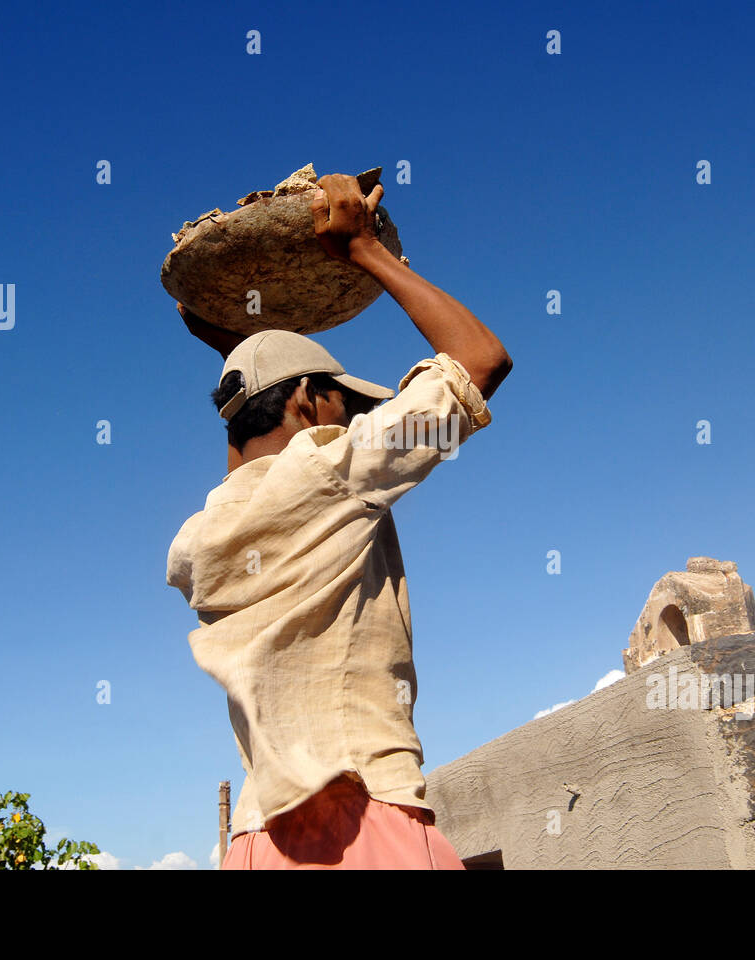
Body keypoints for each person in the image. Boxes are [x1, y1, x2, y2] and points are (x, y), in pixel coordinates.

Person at [166, 173, 512, 869]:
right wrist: (367, 254)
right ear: (304, 402)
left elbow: (254, 397)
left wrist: (239, 329)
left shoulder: (198, 542)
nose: (354, 421)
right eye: (345, 406)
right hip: (360, 824)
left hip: (259, 840)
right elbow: (480, 360)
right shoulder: (330, 476)